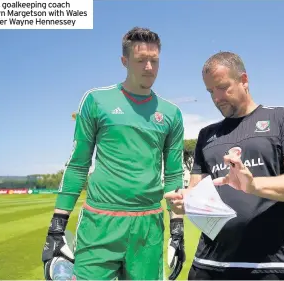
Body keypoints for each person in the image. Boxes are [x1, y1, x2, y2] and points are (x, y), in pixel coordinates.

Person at [41, 27, 186, 281]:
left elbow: (173, 174)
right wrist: (57, 226)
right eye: (141, 60)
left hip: (148, 227)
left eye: (155, 60)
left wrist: (177, 230)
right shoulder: (96, 101)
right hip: (100, 222)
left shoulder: (171, 114)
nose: (149, 67)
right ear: (124, 61)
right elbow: (78, 165)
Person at [166, 51, 284, 280]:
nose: (216, 97)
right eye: (210, 91)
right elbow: (195, 193)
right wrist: (183, 209)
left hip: (268, 267)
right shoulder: (206, 135)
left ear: (244, 80)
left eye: (222, 87)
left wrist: (252, 185)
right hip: (207, 266)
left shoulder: (282, 119)